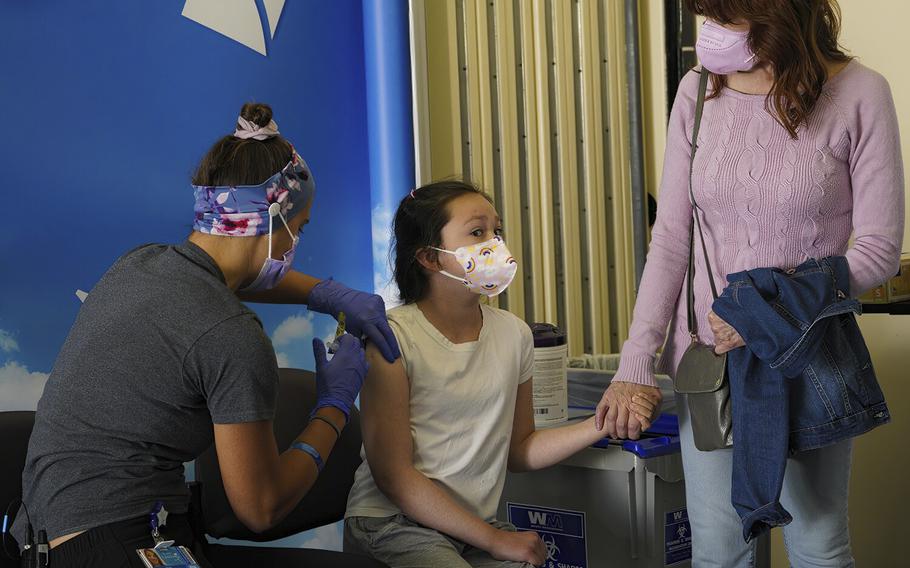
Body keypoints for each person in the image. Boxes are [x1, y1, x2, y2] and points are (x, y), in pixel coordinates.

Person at [11, 103, 400, 567]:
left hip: (37, 540)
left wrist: (326, 293)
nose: (299, 241)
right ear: (274, 220)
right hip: (115, 548)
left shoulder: (141, 264)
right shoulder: (233, 337)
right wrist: (334, 408)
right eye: (300, 227)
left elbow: (233, 278)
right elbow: (261, 508)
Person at [596, 0, 904, 565]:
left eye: (726, 15)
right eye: (706, 14)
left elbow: (879, 252)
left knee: (818, 542)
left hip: (806, 359)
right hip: (709, 364)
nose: (709, 31)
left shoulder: (861, 93)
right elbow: (672, 239)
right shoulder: (698, 89)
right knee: (720, 549)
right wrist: (635, 363)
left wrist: (760, 310)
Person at [342, 181, 659, 567]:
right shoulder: (391, 337)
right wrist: (493, 539)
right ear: (429, 257)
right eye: (478, 232)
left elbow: (520, 449)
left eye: (497, 231)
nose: (495, 244)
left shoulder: (514, 334)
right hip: (392, 523)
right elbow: (394, 477)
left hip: (470, 525)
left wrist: (604, 422)